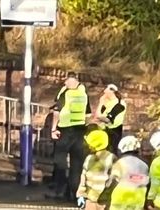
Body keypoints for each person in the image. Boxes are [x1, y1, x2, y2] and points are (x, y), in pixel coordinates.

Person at [46, 72, 92, 201]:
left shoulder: (66, 93)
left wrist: (53, 129)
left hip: (65, 131)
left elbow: (57, 111)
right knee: (76, 164)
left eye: (66, 82)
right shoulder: (83, 94)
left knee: (60, 161)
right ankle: (74, 193)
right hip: (79, 131)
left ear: (69, 83)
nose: (64, 84)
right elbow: (88, 114)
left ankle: (59, 190)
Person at [76, 130, 116, 210]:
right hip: (105, 200)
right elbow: (114, 180)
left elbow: (83, 179)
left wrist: (81, 195)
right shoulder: (112, 158)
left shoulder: (89, 158)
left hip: (91, 199)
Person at [108, 136, 149, 210]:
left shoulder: (119, 163)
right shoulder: (145, 165)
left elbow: (111, 183)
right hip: (138, 203)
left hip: (120, 203)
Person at [94, 84, 126, 155]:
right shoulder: (107, 103)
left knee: (111, 153)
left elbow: (107, 120)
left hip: (114, 132)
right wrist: (101, 103)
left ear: (111, 92)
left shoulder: (120, 104)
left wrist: (100, 117)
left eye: (106, 92)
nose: (104, 94)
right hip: (104, 130)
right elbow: (97, 116)